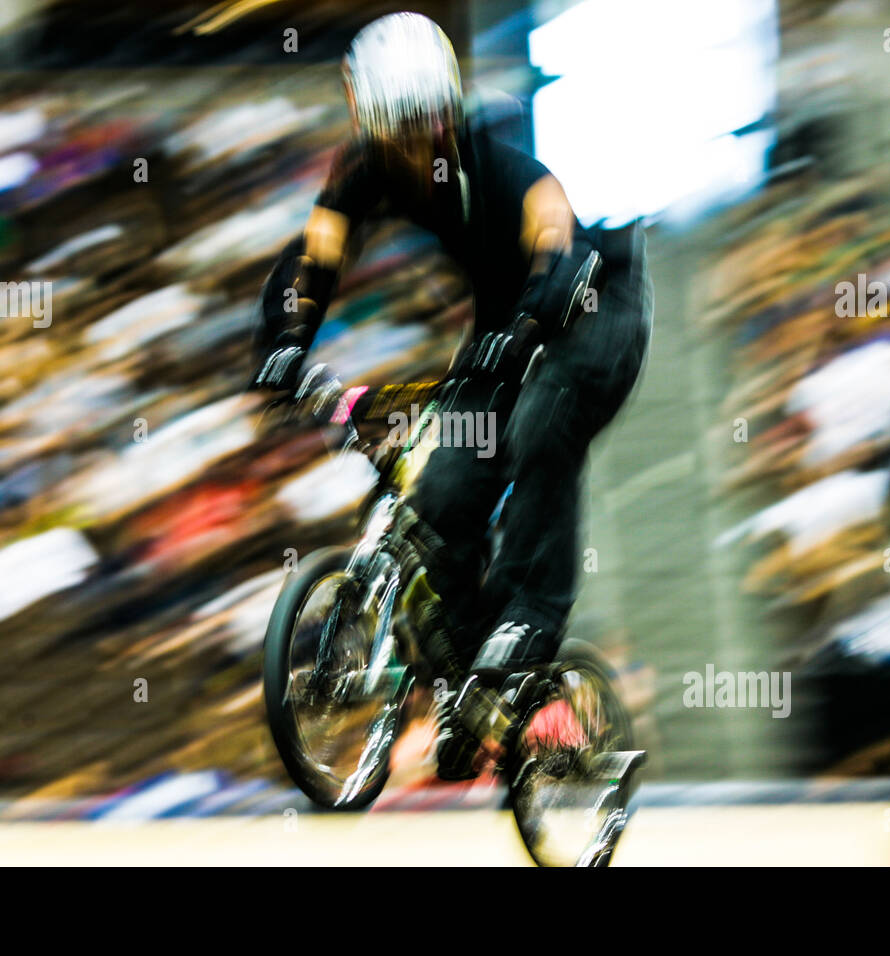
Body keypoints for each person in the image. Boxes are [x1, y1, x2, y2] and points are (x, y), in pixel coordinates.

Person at [250, 12, 651, 778]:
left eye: (424, 128)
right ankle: (469, 685)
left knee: (541, 422)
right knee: (444, 489)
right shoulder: (361, 171)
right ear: (367, 122)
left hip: (600, 300)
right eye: (394, 132)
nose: (410, 147)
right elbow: (314, 259)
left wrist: (534, 315)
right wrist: (284, 345)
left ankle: (530, 618)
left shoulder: (491, 160)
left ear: (446, 113)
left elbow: (553, 234)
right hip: (509, 316)